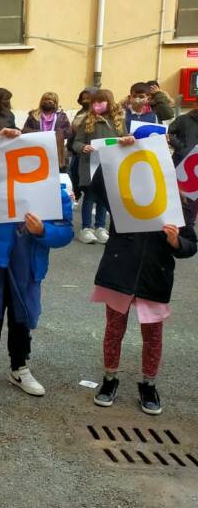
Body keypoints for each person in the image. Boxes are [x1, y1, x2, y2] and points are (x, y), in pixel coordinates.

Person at [0, 125, 74, 398]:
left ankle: (19, 367)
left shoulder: (54, 191)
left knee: (22, 316)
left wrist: (43, 231)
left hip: (29, 264)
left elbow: (66, 231)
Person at [89, 148, 197, 415]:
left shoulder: (174, 204)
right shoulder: (123, 197)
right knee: (114, 330)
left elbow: (190, 244)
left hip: (154, 276)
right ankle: (109, 379)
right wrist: (118, 152)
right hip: (119, 272)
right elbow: (97, 184)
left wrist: (175, 241)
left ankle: (149, 384)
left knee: (153, 335)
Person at [71, 88, 126, 244]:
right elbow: (76, 142)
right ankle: (86, 228)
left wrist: (127, 140)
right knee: (90, 196)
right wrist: (83, 147)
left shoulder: (118, 121)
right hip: (90, 165)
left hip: (110, 164)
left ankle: (101, 226)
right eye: (94, 102)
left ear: (109, 102)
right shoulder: (87, 120)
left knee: (104, 197)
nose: (97, 105)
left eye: (100, 102)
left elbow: (124, 138)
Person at [22, 91, 72, 172]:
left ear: (55, 103)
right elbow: (24, 130)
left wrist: (59, 133)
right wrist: (38, 133)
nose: (47, 102)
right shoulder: (33, 115)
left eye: (50, 100)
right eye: (45, 99)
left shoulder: (61, 116)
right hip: (37, 149)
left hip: (56, 151)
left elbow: (69, 131)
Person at [168, 104, 198, 227]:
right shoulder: (184, 119)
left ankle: (187, 236)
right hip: (179, 166)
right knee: (175, 203)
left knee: (191, 209)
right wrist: (180, 147)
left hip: (196, 173)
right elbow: (168, 132)